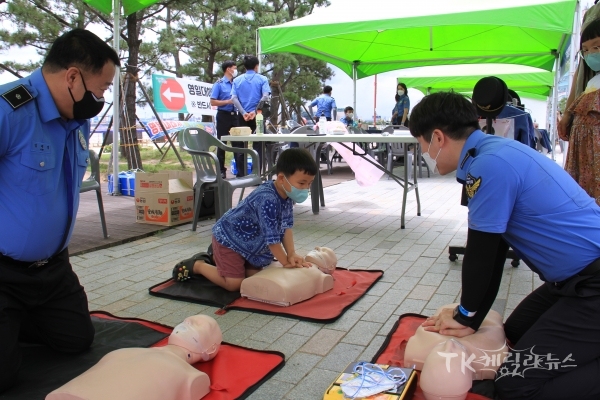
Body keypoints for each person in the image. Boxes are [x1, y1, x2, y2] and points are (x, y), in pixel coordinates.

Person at [410, 91, 600, 400]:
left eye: (421, 145)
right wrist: (468, 317)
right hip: (569, 281)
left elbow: (481, 251)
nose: (423, 153)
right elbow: (495, 249)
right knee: (511, 337)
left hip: (593, 285)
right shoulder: (490, 152)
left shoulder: (489, 165)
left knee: (515, 383)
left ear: (437, 137)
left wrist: (464, 316)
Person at [0, 29, 119, 394]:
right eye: (101, 88)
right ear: (72, 76)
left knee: (77, 341)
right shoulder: (10, 109)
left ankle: (16, 325)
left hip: (53, 271)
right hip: (3, 274)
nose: (100, 98)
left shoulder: (76, 116)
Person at [173, 148, 318, 291]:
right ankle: (198, 265)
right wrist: (286, 263)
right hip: (229, 240)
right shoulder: (267, 199)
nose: (306, 188)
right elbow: (272, 240)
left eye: (309, 183)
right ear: (281, 178)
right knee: (234, 284)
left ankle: (217, 259)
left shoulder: (286, 194)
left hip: (248, 243)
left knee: (254, 278)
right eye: (302, 183)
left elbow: (286, 227)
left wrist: (291, 253)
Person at [46, 315, 221, 400]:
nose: (187, 323)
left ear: (211, 349)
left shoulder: (192, 377)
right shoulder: (126, 352)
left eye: (197, 324)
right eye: (185, 321)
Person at [405, 304, 507, 400]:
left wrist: (464, 316)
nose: (449, 346)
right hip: (487, 314)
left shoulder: (414, 352)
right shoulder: (495, 359)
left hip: (454, 312)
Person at [563, 10, 600, 205]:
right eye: (586, 50)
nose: (591, 54)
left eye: (597, 47)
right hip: (583, 154)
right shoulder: (592, 80)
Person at [240, 246, 337, 306]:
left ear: (330, 266)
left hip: (282, 288)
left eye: (323, 251)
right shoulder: (296, 262)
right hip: (272, 282)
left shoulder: (321, 275)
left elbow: (325, 283)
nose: (317, 248)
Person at [231, 55, 271, 177]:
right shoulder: (262, 79)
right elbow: (265, 96)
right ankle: (256, 175)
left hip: (242, 116)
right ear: (256, 66)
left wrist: (244, 113)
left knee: (241, 145)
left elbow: (233, 98)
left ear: (244, 66)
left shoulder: (237, 80)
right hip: (257, 115)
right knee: (258, 145)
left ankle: (242, 175)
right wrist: (255, 111)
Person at [210, 60, 238, 179]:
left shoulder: (236, 83)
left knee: (238, 144)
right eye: (234, 68)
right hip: (223, 115)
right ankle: (221, 170)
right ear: (228, 69)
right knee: (222, 144)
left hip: (235, 115)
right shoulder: (219, 84)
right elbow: (213, 101)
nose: (236, 70)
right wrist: (227, 101)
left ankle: (240, 170)